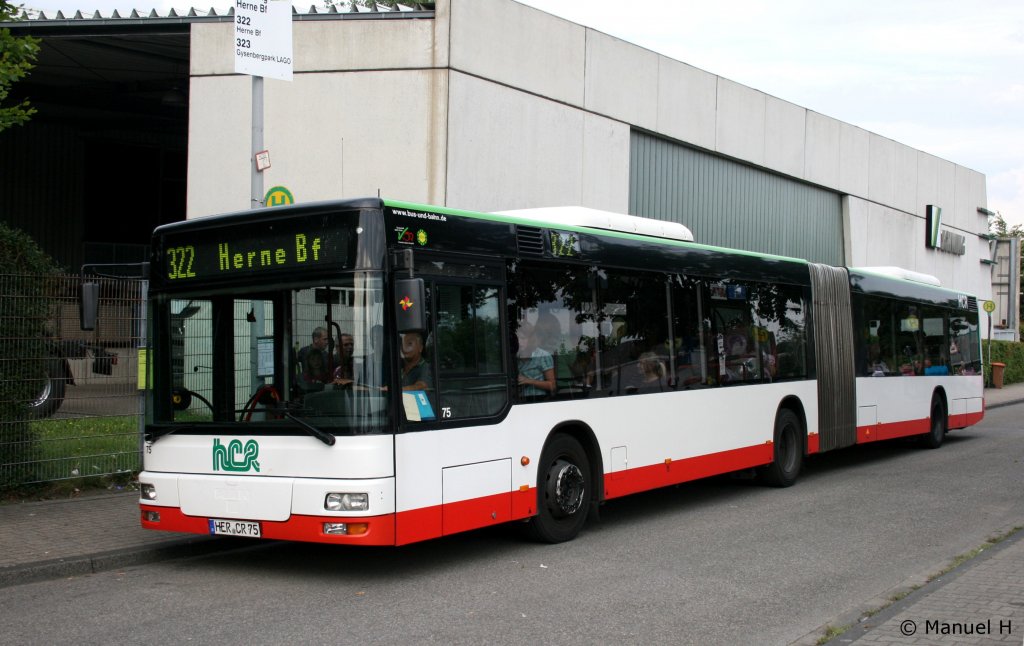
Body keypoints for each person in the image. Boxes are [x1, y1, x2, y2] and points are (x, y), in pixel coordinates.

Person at [517, 317, 556, 397]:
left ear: (530, 339)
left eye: (523, 338)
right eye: (517, 339)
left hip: (538, 402)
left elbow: (552, 386)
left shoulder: (543, 356)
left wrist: (529, 381)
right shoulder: (515, 356)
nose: (519, 342)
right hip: (519, 402)